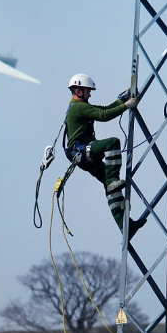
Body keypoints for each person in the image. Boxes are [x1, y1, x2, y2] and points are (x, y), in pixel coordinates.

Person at [63, 73, 147, 239]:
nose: (90, 94)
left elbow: (102, 110)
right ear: (79, 91)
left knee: (111, 189)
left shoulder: (79, 106)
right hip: (83, 151)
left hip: (82, 155)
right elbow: (104, 116)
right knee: (112, 143)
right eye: (87, 91)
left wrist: (121, 101)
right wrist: (126, 106)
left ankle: (126, 226)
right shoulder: (78, 107)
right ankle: (113, 180)